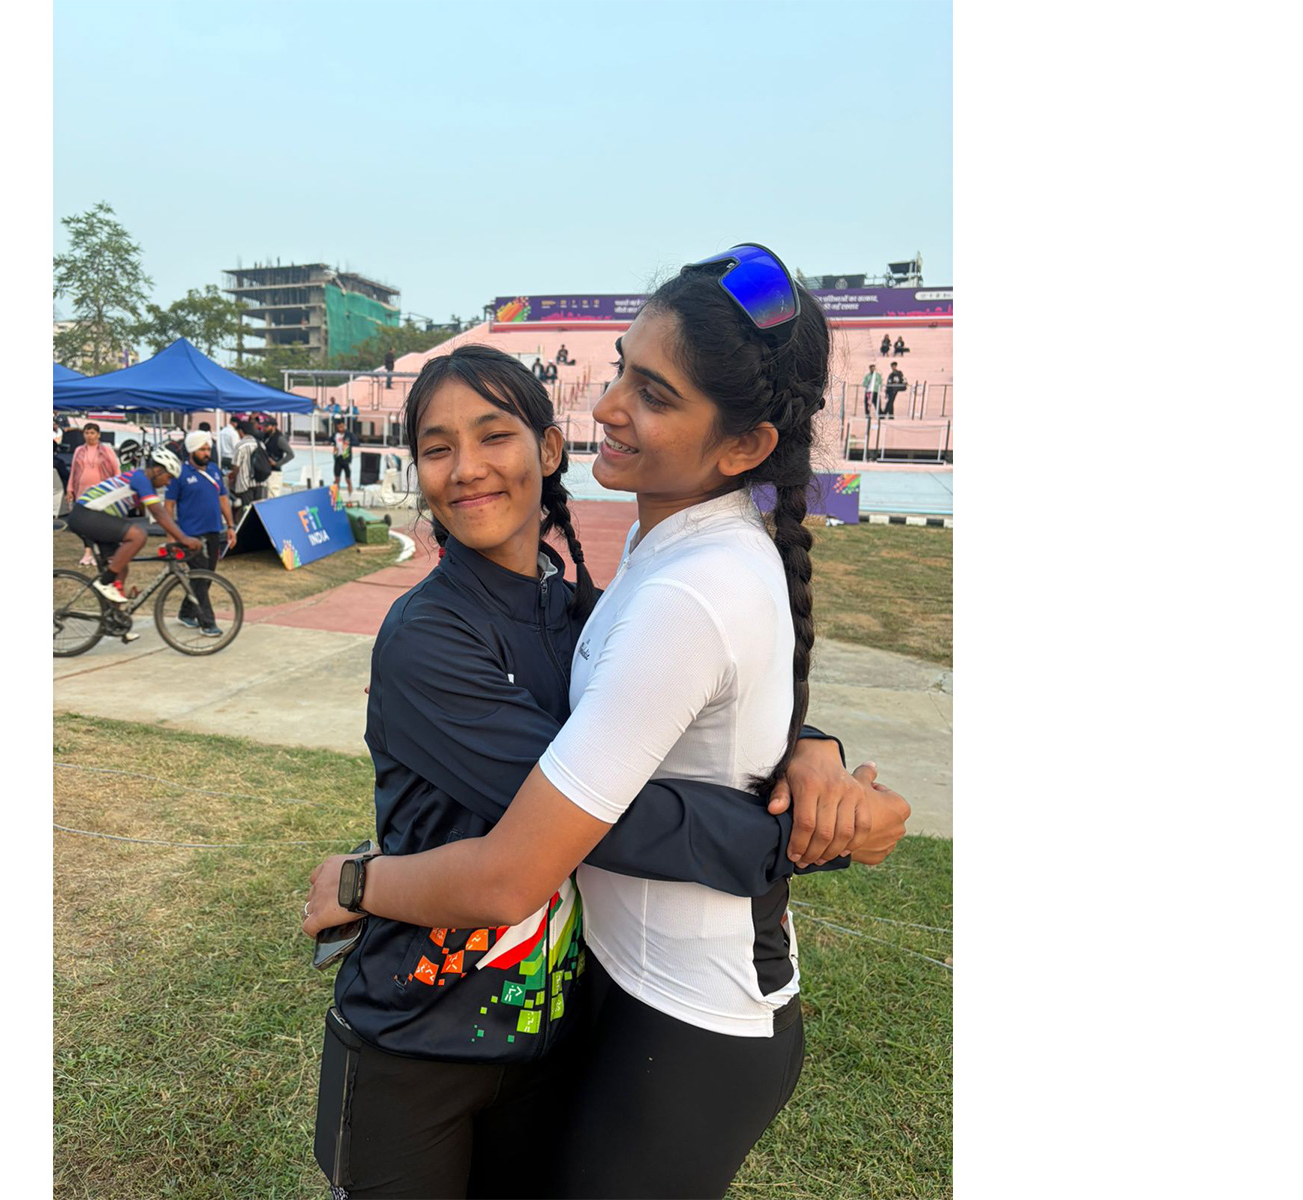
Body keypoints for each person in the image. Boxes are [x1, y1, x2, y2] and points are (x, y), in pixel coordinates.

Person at [305, 245, 911, 1198]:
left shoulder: (619, 585)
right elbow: (579, 821)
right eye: (622, 366)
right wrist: (788, 828)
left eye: (656, 393)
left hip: (608, 1013)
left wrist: (806, 748)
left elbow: (661, 721)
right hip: (437, 1021)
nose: (612, 403)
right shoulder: (466, 625)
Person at [65, 446, 202, 605]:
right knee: (138, 535)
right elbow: (159, 513)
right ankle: (104, 582)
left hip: (94, 516)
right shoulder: (140, 478)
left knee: (121, 567)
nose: (169, 483)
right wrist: (184, 538)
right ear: (158, 470)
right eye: (169, 477)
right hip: (86, 514)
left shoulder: (145, 483)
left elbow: (159, 513)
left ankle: (114, 623)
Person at [164, 432, 236, 637]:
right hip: (190, 535)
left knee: (206, 578)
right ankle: (207, 622)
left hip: (213, 531)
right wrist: (171, 536)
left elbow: (223, 499)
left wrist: (230, 526)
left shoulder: (214, 470)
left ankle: (186, 612)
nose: (206, 453)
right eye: (202, 449)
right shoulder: (179, 474)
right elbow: (168, 505)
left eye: (208, 449)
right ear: (191, 450)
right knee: (200, 577)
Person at [65, 422, 121, 567]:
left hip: (101, 490)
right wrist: (70, 488)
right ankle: (88, 551)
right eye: (87, 433)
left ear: (98, 435)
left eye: (92, 433)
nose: (89, 436)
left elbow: (116, 469)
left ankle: (100, 550)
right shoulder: (79, 450)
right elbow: (73, 471)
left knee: (99, 521)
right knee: (83, 522)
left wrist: (116, 487)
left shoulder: (106, 450)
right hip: (82, 488)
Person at [262, 416, 294, 498]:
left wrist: (277, 464)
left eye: (267, 426)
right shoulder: (265, 436)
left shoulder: (279, 439)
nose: (264, 428)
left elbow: (291, 454)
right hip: (265, 470)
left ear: (274, 427)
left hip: (274, 472)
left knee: (273, 495)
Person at [330, 418, 358, 503]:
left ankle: (350, 497)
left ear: (344, 426)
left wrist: (348, 443)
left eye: (342, 426)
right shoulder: (335, 435)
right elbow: (330, 440)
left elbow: (356, 442)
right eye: (339, 427)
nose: (341, 428)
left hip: (346, 459)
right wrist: (333, 445)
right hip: (338, 459)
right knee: (336, 479)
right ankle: (335, 498)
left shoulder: (349, 434)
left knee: (348, 479)